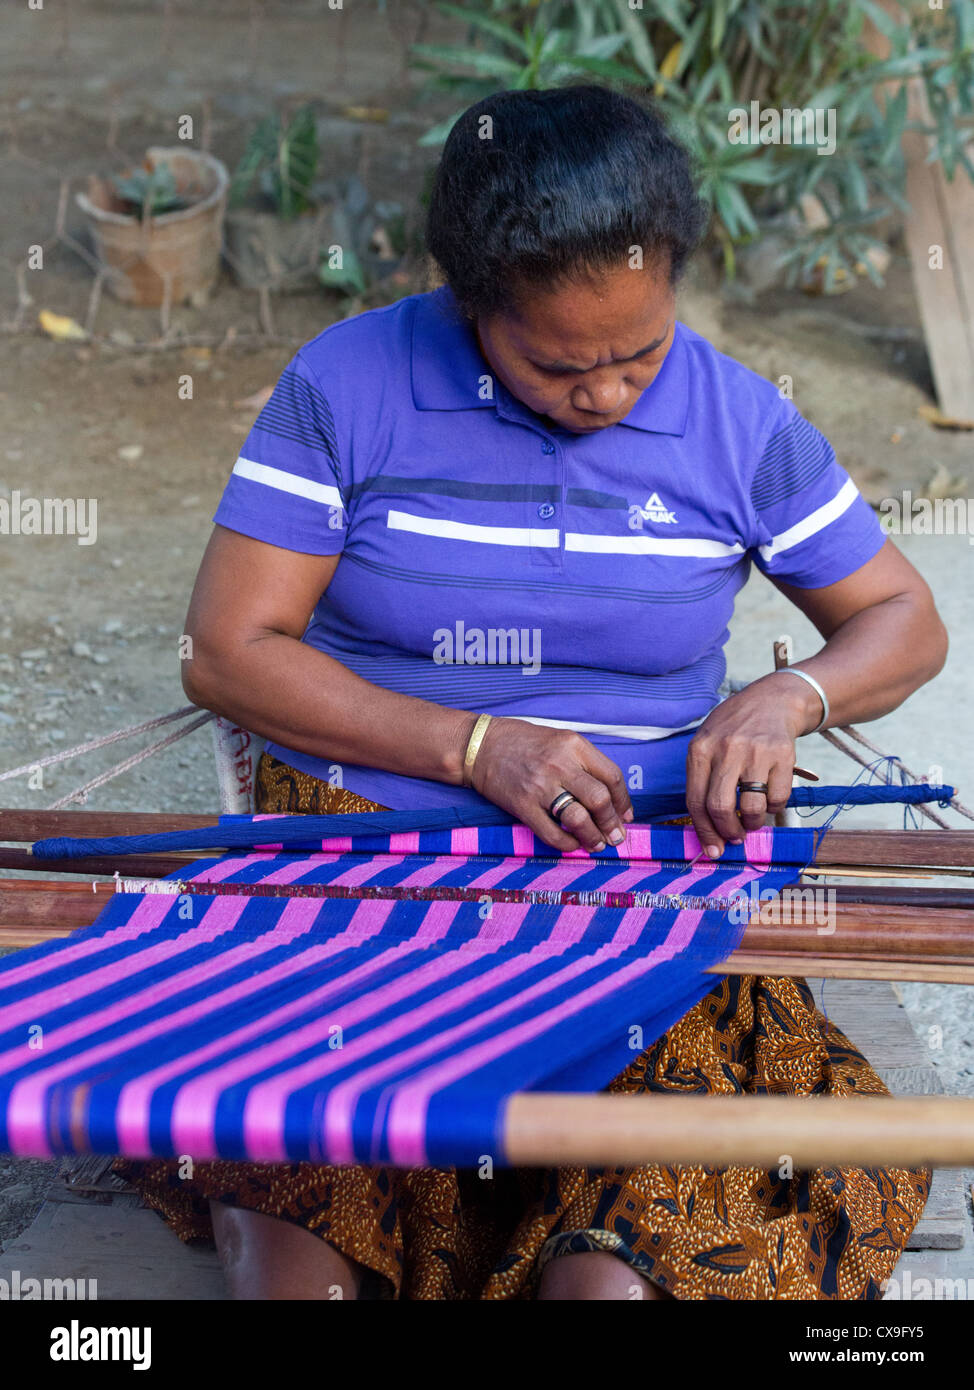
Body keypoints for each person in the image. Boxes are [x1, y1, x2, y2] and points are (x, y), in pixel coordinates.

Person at [119, 86, 947, 1300]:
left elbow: (902, 620)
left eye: (640, 353)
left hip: (644, 881)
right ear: (469, 301)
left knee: (607, 1279)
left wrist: (786, 703)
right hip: (362, 867)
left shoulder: (734, 420)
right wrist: (472, 745)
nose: (608, 394)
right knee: (305, 1260)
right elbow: (228, 652)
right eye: (559, 362)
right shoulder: (347, 385)